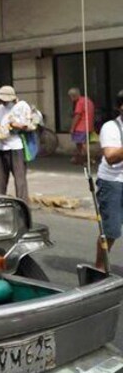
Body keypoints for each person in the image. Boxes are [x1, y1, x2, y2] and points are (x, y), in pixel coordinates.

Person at [96, 89, 123, 270]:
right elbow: (111, 157)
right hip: (113, 182)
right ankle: (99, 268)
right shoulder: (110, 127)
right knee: (111, 229)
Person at [0, 85, 33, 201]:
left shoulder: (21, 107)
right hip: (1, 146)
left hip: (16, 147)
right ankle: (0, 199)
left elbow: (27, 125)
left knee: (19, 178)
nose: (2, 102)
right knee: (1, 177)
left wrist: (16, 125)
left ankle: (22, 202)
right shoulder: (1, 108)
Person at [68, 87, 95, 165]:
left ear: (74, 96)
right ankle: (79, 159)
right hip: (89, 125)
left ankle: (89, 159)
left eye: (70, 96)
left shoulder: (80, 102)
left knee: (82, 144)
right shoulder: (88, 101)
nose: (70, 98)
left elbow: (77, 116)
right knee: (80, 144)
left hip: (81, 127)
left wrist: (72, 128)